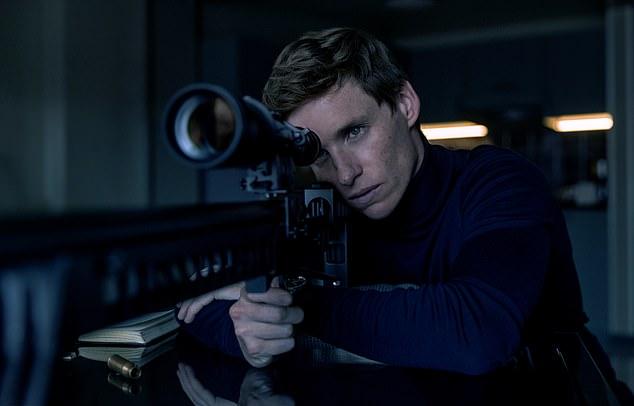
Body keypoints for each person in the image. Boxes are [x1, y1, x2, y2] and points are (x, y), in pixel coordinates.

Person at [176, 27, 632, 400]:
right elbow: (199, 310)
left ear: (405, 104)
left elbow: (476, 332)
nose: (345, 173)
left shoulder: (499, 181)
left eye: (354, 132)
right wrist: (253, 329)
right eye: (318, 152)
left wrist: (293, 302)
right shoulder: (319, 210)